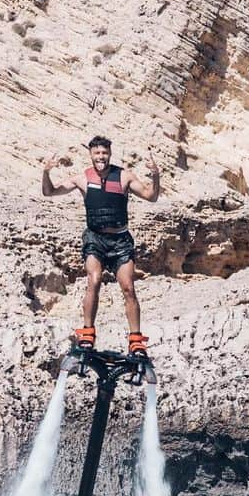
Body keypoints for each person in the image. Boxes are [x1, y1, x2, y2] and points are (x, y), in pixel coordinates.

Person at [41, 135, 160, 356]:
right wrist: (46, 172)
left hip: (121, 240)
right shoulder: (82, 178)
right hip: (95, 239)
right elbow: (49, 192)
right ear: (91, 155)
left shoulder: (124, 177)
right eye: (97, 153)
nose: (101, 157)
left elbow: (150, 196)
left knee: (128, 287)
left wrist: (155, 175)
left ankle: (136, 341)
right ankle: (87, 334)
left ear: (110, 154)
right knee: (94, 280)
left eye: (104, 153)